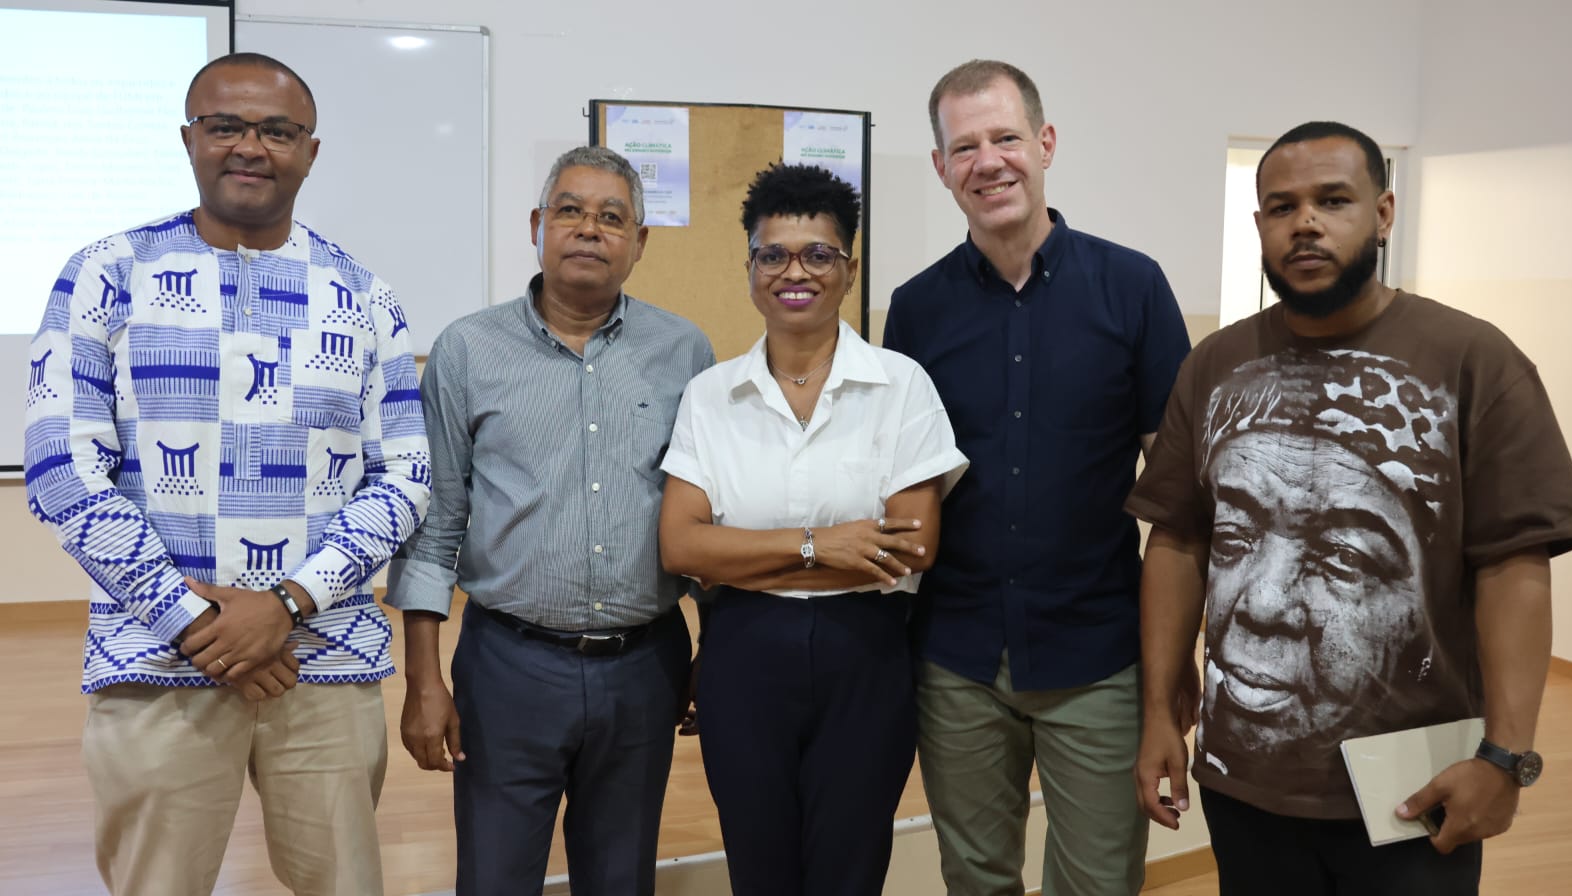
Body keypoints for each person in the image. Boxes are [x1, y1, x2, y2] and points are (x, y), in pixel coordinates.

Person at [1128, 120, 1572, 895]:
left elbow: (1513, 563)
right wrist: (1157, 712)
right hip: (1244, 781)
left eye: (1332, 200)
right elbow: (1177, 541)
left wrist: (1507, 758)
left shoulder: (1474, 362)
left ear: (1383, 213)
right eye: (1281, 207)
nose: (1304, 222)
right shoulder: (1214, 366)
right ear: (1259, 227)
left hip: (1413, 788)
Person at [22, 53, 431, 895]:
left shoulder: (364, 296)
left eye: (277, 130)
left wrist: (284, 606)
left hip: (324, 661)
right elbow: (64, 470)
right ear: (189, 139)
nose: (251, 146)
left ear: (310, 151)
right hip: (157, 665)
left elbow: (406, 478)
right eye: (226, 126)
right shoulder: (107, 274)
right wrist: (197, 623)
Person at [882, 60, 1190, 894]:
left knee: (1098, 881)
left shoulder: (1133, 288)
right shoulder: (916, 309)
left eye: (1006, 137)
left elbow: (1181, 497)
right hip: (957, 659)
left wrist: (1172, 670)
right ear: (944, 168)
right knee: (976, 877)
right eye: (965, 147)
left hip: (1097, 652)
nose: (988, 161)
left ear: (1045, 143)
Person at [384, 144, 714, 896]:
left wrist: (713, 647)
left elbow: (705, 513)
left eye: (611, 217)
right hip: (509, 667)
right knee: (496, 877)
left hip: (645, 665)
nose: (588, 230)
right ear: (537, 225)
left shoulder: (684, 350)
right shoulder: (468, 350)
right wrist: (424, 679)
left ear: (639, 242)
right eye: (569, 210)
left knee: (621, 877)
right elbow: (436, 526)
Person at [657, 163, 967, 895]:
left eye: (818, 254)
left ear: (848, 270)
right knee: (760, 868)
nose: (795, 271)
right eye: (774, 254)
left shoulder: (902, 386)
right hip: (743, 659)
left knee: (848, 870)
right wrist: (819, 545)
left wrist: (740, 555)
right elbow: (681, 545)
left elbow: (912, 548)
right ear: (751, 268)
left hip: (866, 655)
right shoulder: (711, 395)